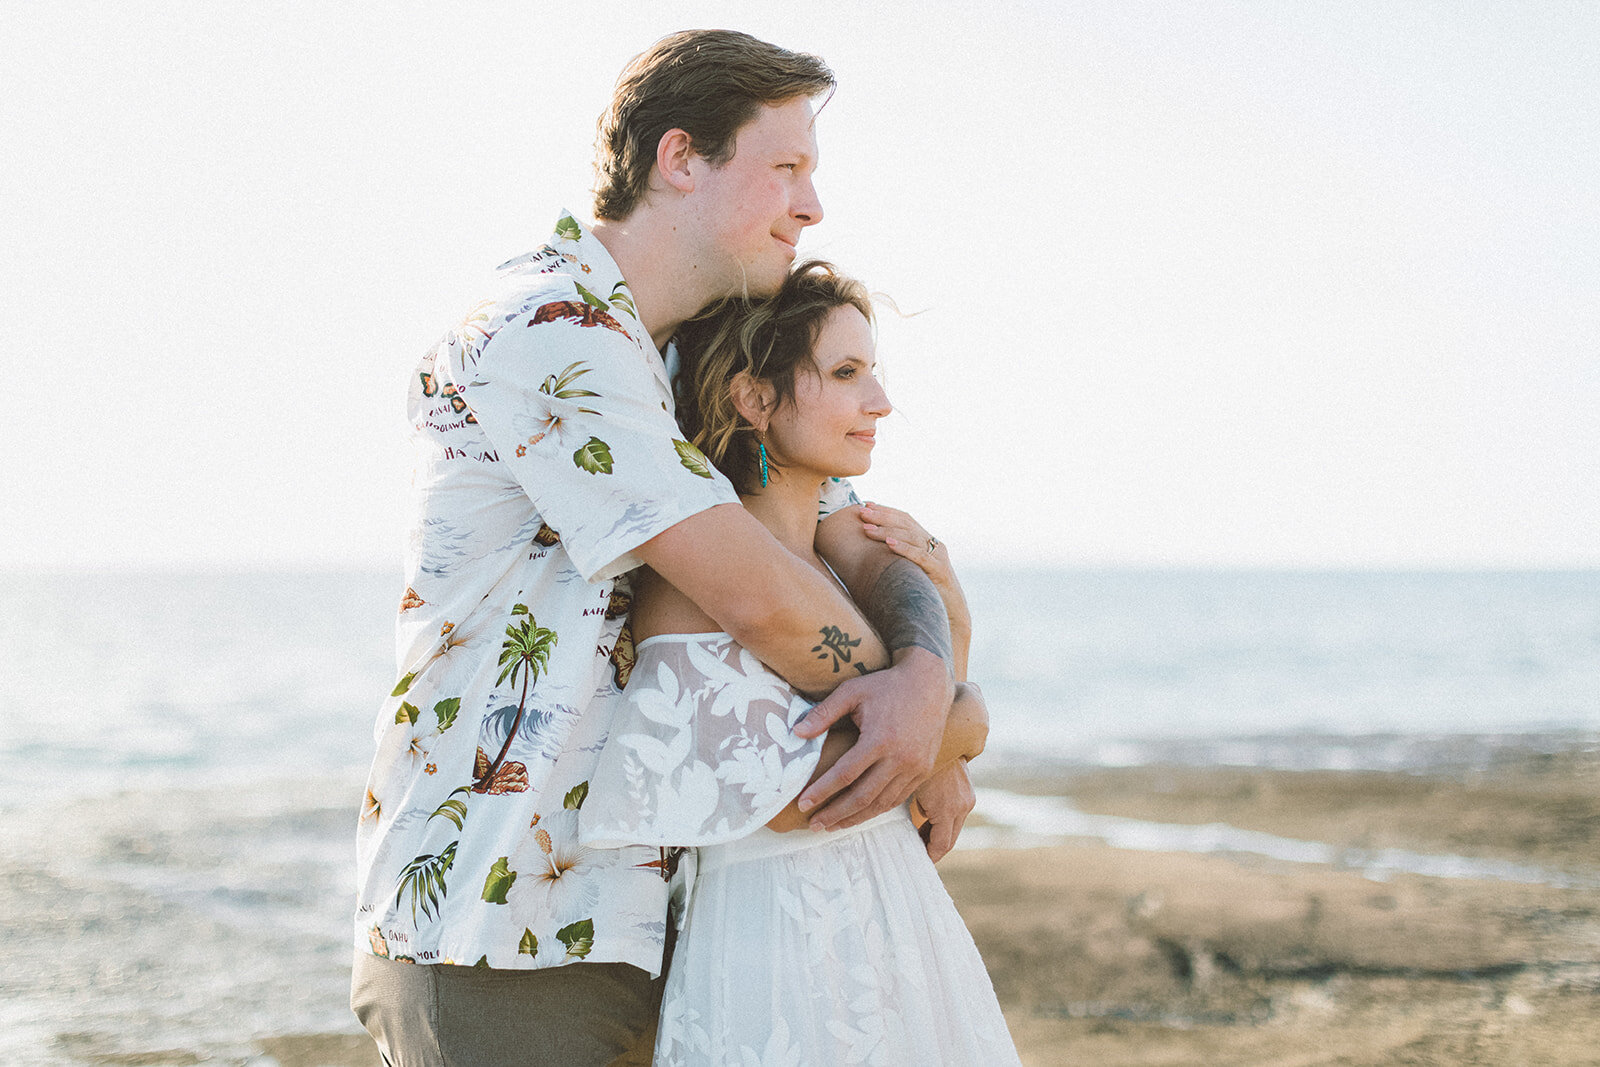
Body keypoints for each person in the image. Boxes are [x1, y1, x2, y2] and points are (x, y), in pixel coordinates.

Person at [350, 30, 971, 1066]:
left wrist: (924, 679)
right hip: (502, 927)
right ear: (680, 158)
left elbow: (860, 542)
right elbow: (760, 596)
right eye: (786, 167)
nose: (811, 204)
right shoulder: (546, 330)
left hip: (665, 914)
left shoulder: (698, 352)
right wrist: (939, 724)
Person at [580, 261, 1020, 1065]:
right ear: (754, 398)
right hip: (780, 956)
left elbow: (903, 726)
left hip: (899, 931)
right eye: (846, 374)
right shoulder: (697, 583)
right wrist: (970, 720)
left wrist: (948, 652)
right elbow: (793, 795)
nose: (879, 401)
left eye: (872, 372)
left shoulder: (837, 564)